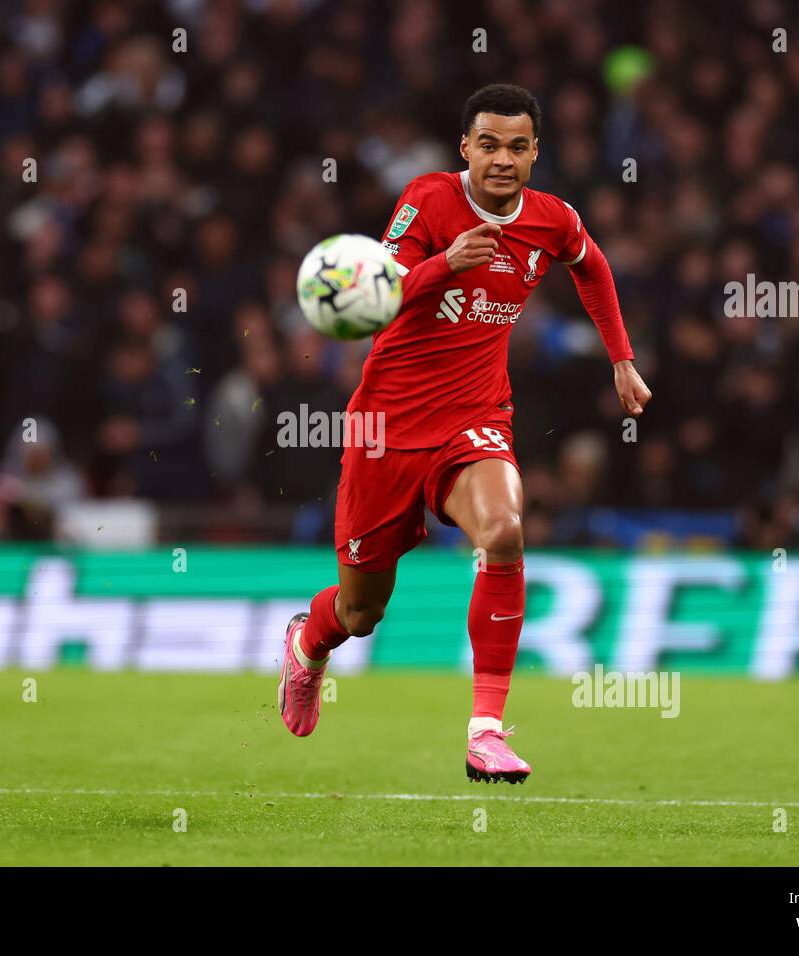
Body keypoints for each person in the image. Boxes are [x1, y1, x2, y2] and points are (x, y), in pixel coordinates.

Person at [276, 84, 652, 783]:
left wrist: (621, 359)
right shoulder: (427, 199)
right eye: (488, 144)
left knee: (505, 531)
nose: (502, 159)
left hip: (475, 419)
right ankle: (308, 643)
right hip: (385, 427)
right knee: (361, 613)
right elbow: (378, 295)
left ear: (536, 152)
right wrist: (448, 262)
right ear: (465, 148)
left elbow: (593, 268)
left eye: (516, 146)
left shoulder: (553, 220)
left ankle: (486, 731)